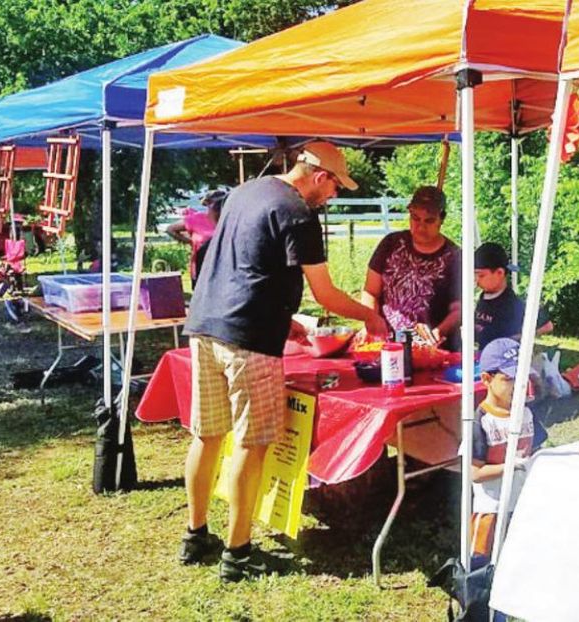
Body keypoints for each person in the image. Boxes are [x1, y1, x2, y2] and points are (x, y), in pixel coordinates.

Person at [179, 141, 380, 582]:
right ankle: (238, 554)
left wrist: (283, 319)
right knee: (252, 445)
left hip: (205, 325)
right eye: (334, 188)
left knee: (207, 434)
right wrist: (370, 315)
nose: (333, 197)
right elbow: (325, 294)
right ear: (319, 175)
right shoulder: (299, 214)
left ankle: (195, 537)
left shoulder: (246, 190)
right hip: (248, 342)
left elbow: (244, 266)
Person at [469, 337, 547, 568]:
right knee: (483, 564)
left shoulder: (526, 412)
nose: (518, 385)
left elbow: (538, 447)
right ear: (486, 379)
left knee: (520, 559)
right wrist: (511, 465)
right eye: (508, 379)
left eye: (522, 377)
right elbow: (474, 472)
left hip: (523, 503)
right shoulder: (481, 421)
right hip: (491, 508)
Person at [362, 185, 461, 348]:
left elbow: (458, 309)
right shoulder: (390, 243)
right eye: (415, 218)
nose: (421, 227)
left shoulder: (455, 256)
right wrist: (371, 319)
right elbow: (370, 291)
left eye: (429, 220)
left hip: (433, 348)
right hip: (388, 343)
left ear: (441, 220)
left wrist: (438, 332)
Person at [474, 242, 552, 350]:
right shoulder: (483, 297)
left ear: (500, 273)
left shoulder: (512, 304)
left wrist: (513, 339)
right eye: (475, 275)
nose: (476, 280)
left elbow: (547, 326)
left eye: (481, 275)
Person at [166, 188, 227, 287]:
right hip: (202, 268)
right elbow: (170, 229)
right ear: (207, 204)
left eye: (222, 203)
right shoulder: (196, 219)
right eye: (216, 203)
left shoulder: (228, 220)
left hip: (223, 268)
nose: (219, 207)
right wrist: (190, 241)